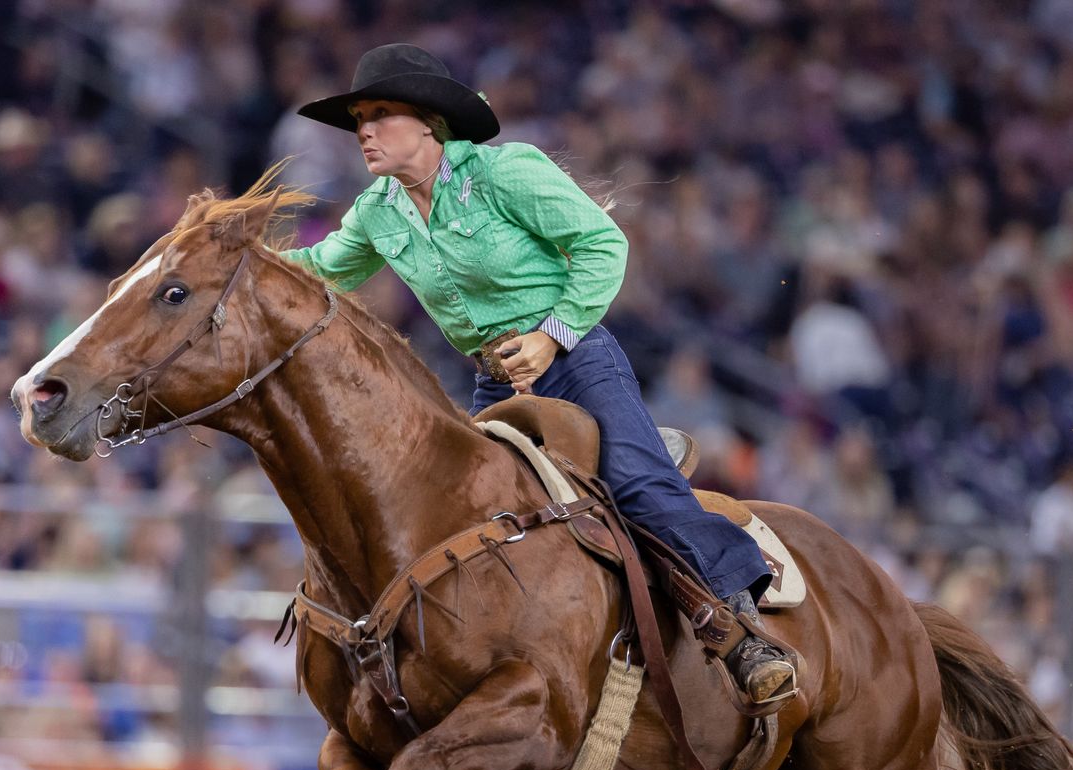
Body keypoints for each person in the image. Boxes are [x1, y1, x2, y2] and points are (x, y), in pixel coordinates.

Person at [281, 43, 793, 706]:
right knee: (471, 524)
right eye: (358, 119)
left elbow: (603, 245)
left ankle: (744, 632)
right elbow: (319, 269)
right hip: (496, 383)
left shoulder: (506, 172)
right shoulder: (378, 210)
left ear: (431, 123)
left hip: (575, 361)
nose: (364, 131)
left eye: (380, 113)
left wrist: (551, 339)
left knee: (637, 483)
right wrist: (231, 263)